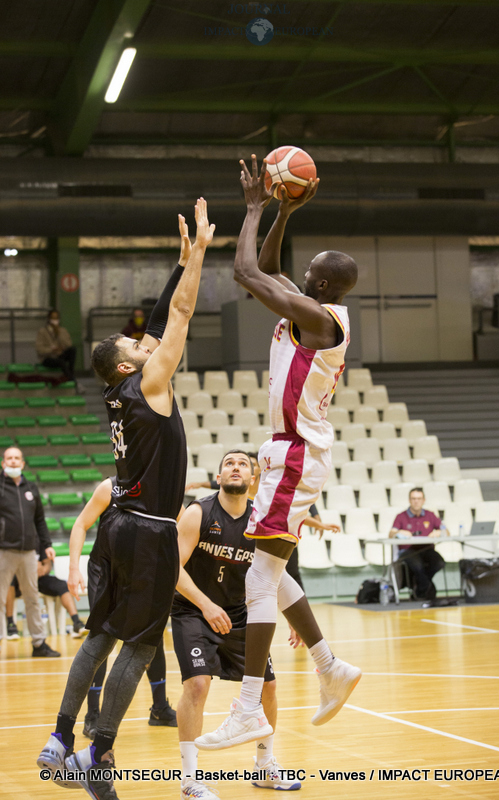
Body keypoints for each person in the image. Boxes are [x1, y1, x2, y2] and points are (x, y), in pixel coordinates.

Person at [37, 198, 215, 800]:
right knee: (140, 645)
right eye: (133, 344)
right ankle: (98, 749)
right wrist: (201, 255)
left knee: (99, 636)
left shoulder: (120, 392)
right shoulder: (152, 383)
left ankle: (61, 737)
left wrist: (180, 262)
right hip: (149, 533)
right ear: (124, 364)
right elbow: (180, 314)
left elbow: (161, 321)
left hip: (118, 526)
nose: (145, 342)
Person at [196, 156, 361, 752]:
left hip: (295, 453)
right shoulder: (313, 307)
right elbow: (267, 267)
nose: (300, 271)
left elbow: (245, 271)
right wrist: (283, 213)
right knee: (269, 569)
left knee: (257, 577)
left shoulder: (316, 318)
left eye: (309, 271)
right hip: (289, 451)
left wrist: (254, 207)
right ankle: (330, 666)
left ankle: (248, 708)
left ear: (322, 286)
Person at [174, 449, 300, 800]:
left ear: (253, 479)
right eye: (229, 463)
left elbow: (274, 574)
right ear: (218, 477)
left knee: (268, 688)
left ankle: (264, 766)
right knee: (197, 685)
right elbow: (171, 568)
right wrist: (206, 605)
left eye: (243, 464)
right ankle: (190, 781)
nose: (235, 467)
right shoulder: (198, 513)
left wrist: (294, 616)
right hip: (193, 610)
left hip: (241, 613)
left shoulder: (261, 522)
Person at [68, 478, 178, 738]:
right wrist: (73, 568)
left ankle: (159, 708)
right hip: (105, 572)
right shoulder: (110, 487)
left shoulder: (163, 489)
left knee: (151, 638)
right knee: (102, 639)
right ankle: (92, 715)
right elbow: (81, 524)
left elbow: (184, 531)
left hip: (144, 573)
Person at [0, 446, 60, 657]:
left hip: (28, 553)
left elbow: (39, 520)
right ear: (3, 463)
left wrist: (47, 544)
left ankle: (39, 644)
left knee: (32, 598)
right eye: (9, 458)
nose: (13, 461)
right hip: (4, 552)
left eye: (17, 458)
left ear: (23, 463)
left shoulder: (31, 488)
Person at [389, 487, 449, 603]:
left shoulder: (430, 515)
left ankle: (419, 585)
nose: (416, 501)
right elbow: (391, 534)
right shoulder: (401, 516)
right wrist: (399, 532)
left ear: (423, 500)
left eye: (419, 498)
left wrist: (439, 532)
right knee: (418, 566)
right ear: (409, 500)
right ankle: (422, 591)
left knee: (439, 562)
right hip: (407, 551)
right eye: (413, 498)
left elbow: (446, 531)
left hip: (426, 549)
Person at [8, 550, 87, 638]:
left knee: (62, 585)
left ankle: (77, 622)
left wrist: (42, 570)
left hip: (39, 578)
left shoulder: (40, 543)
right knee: (9, 582)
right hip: (18, 578)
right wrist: (29, 569)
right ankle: (10, 624)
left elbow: (47, 564)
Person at [36, 310, 77, 381]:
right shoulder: (42, 332)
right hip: (48, 358)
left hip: (59, 355)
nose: (55, 320)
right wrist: (51, 350)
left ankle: (71, 373)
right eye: (53, 318)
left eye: (56, 318)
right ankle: (71, 379)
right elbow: (39, 349)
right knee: (61, 362)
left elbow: (69, 344)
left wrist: (59, 334)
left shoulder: (63, 330)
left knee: (73, 350)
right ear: (49, 319)